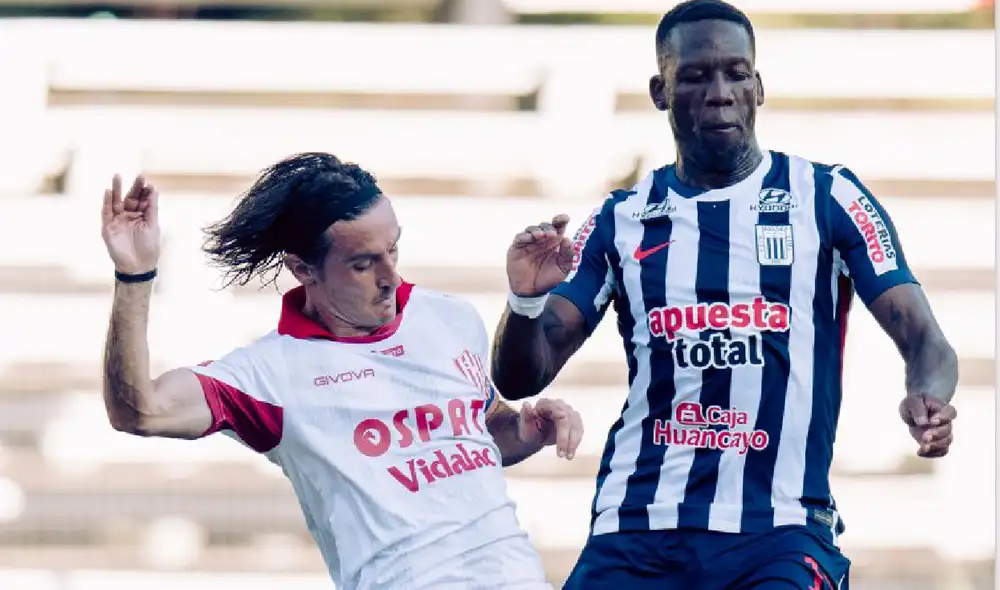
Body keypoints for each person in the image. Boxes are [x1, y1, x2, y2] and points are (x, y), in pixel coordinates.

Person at [489, 1, 959, 588]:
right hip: (638, 527)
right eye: (695, 76)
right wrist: (526, 303)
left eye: (736, 73)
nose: (719, 92)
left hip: (779, 529)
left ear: (758, 87)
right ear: (661, 92)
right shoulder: (621, 219)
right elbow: (521, 378)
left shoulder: (827, 198)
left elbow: (923, 336)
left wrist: (931, 397)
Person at [99, 152, 585, 590]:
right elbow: (140, 410)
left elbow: (480, 433)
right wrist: (134, 275)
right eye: (363, 264)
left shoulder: (448, 317)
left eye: (393, 250)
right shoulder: (270, 375)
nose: (390, 276)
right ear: (303, 269)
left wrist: (524, 427)